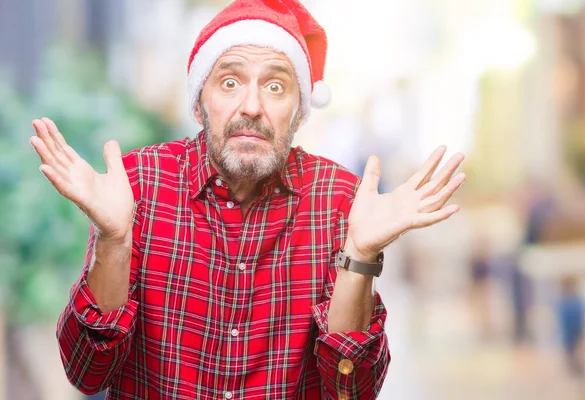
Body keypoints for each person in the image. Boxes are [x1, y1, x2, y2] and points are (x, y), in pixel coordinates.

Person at [29, 1, 466, 398]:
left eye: (276, 86)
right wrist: (115, 240)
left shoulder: (339, 199)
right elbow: (87, 373)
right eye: (230, 81)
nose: (251, 106)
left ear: (299, 110)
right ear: (200, 103)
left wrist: (360, 255)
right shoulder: (139, 184)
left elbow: (351, 389)